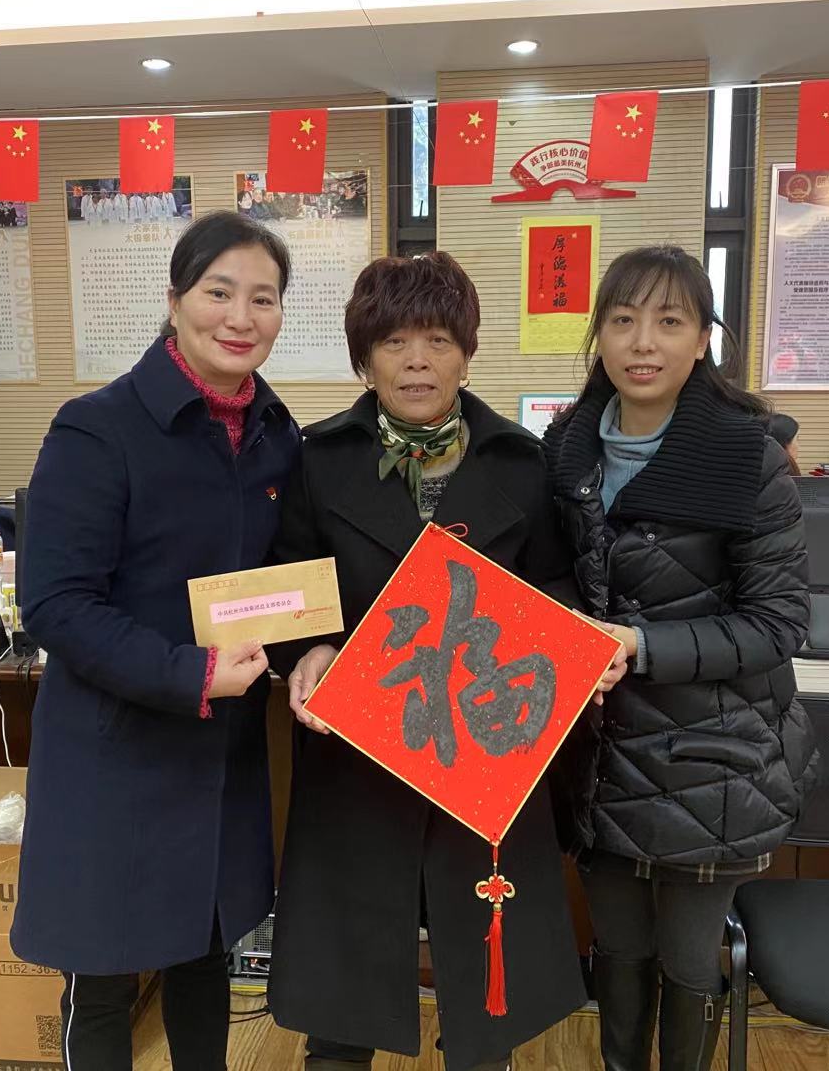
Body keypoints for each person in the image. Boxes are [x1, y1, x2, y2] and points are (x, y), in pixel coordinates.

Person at [266, 252, 624, 1071]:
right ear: (365, 359)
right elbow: (290, 586)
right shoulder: (318, 459)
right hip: (360, 752)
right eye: (394, 343)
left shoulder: (519, 462)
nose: (417, 361)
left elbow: (555, 584)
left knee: (482, 1005)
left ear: (467, 351)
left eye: (437, 340)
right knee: (344, 1005)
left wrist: (571, 633)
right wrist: (308, 646)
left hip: (482, 753)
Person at [10, 211, 300, 1071]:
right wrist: (191, 672)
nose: (240, 318)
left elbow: (283, 578)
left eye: (263, 299)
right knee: (100, 974)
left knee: (203, 956)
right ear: (175, 301)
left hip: (218, 755)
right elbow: (55, 604)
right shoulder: (97, 429)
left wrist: (307, 650)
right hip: (115, 752)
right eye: (219, 292)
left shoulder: (276, 433)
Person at [542, 245, 819, 1071]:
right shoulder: (566, 449)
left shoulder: (746, 456)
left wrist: (640, 645)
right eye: (623, 320)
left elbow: (777, 624)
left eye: (669, 321)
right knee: (617, 950)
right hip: (600, 753)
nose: (643, 342)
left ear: (703, 340)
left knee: (689, 963)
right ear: (599, 335)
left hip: (712, 756)